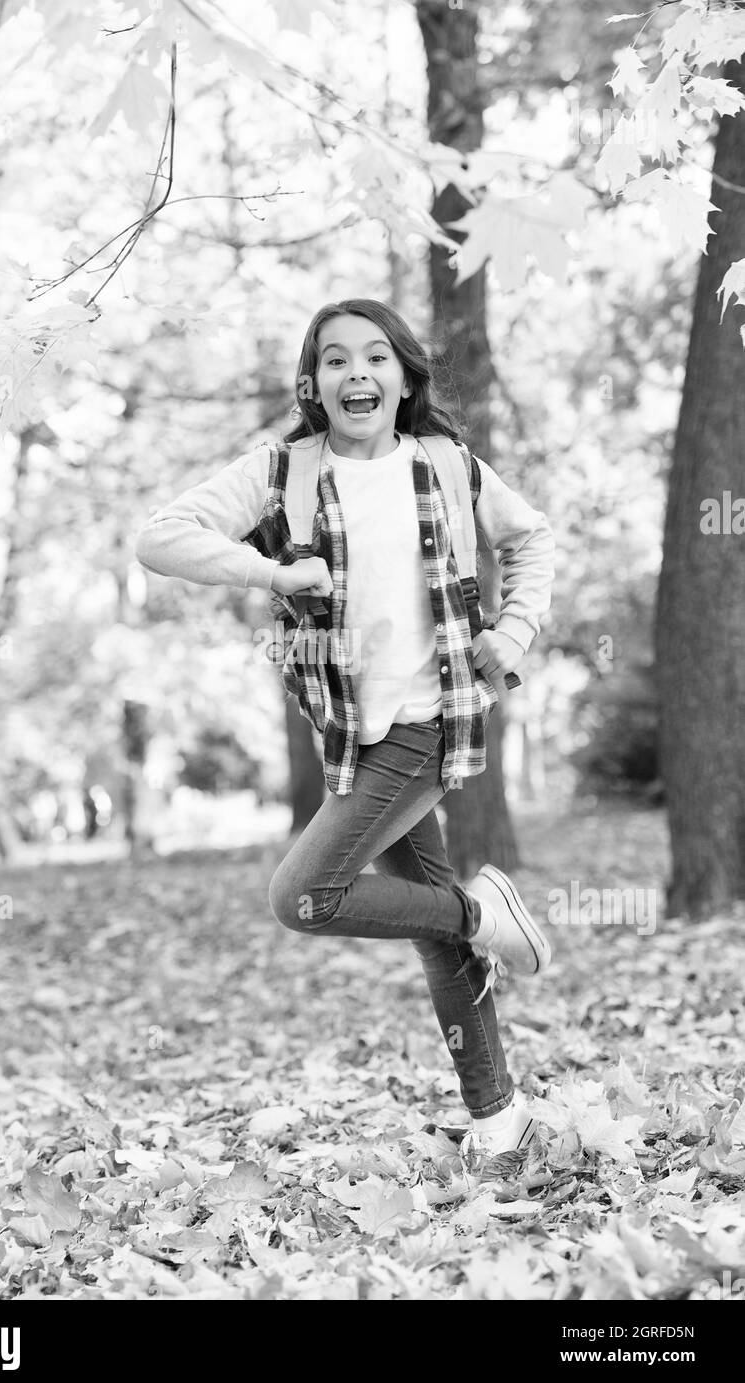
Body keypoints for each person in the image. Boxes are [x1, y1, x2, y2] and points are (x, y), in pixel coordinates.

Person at [135, 298, 554, 1184]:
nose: (355, 374)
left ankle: (484, 912)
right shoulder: (284, 469)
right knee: (437, 934)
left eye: (375, 358)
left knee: (304, 897)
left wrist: (513, 636)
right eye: (334, 360)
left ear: (404, 377)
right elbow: (159, 538)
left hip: (428, 721)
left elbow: (532, 540)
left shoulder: (445, 463)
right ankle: (500, 1116)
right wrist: (273, 568)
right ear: (313, 383)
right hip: (352, 736)